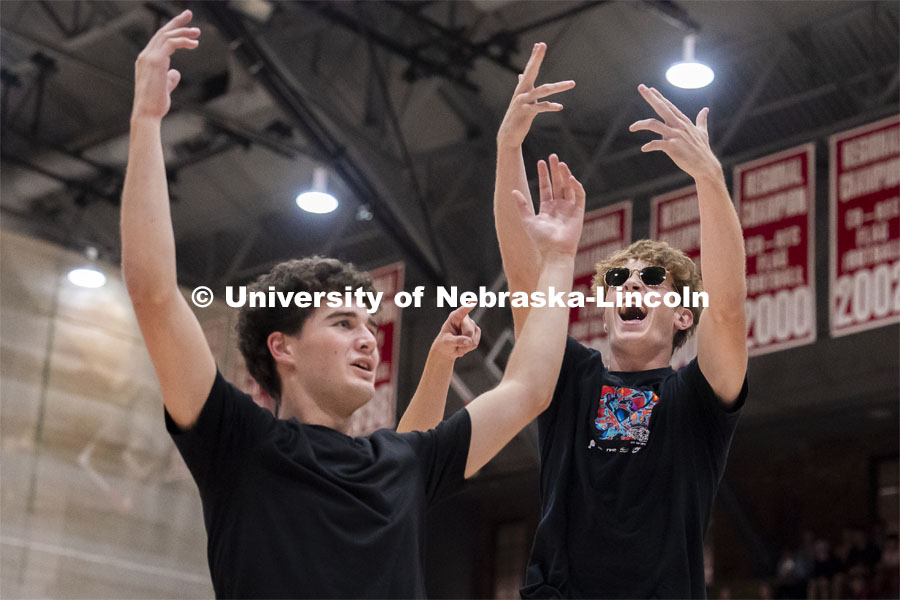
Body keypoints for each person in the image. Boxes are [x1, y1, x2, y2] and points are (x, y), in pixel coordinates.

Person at [120, 12, 586, 598]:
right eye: (343, 323)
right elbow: (155, 293)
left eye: (369, 323)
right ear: (281, 346)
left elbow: (529, 388)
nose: (369, 338)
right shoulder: (238, 444)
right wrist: (145, 120)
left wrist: (562, 259)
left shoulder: (404, 461)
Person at [399, 42, 749, 598]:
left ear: (685, 313)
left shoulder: (699, 398)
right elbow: (525, 278)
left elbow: (728, 311)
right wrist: (508, 145)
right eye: (619, 279)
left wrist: (709, 178)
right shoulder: (570, 376)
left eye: (653, 279)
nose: (631, 284)